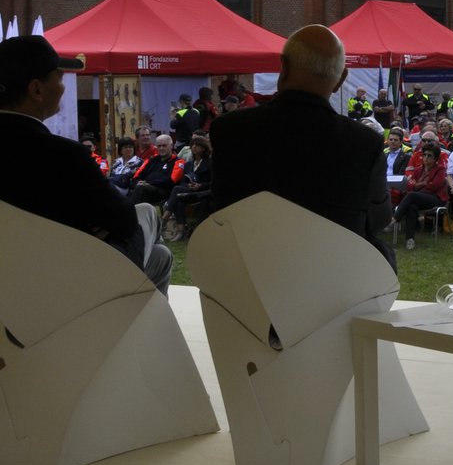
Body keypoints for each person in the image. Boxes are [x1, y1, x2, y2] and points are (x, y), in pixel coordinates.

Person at [211, 24, 394, 270]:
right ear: (341, 80)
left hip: (245, 274)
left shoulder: (228, 129)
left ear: (283, 67)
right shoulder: (364, 143)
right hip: (333, 278)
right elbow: (378, 220)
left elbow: (220, 206)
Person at [0, 35, 172, 293]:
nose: (63, 87)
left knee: (159, 256)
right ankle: (137, 328)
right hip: (71, 282)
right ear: (36, 90)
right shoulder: (63, 155)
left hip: (13, 280)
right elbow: (124, 222)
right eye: (59, 78)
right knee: (147, 215)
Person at [394, 142, 449, 248]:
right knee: (411, 206)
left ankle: (395, 218)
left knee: (412, 196)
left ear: (435, 158)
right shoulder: (419, 169)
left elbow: (434, 187)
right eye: (424, 155)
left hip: (436, 199)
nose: (426, 158)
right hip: (421, 198)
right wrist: (423, 184)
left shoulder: (440, 169)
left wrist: (417, 186)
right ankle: (410, 239)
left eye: (429, 156)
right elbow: (409, 186)